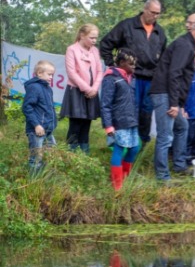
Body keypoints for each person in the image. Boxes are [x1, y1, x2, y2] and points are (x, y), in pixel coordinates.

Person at [150, 20, 195, 182]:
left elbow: (184, 79)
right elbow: (174, 74)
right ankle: (162, 176)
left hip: (171, 96)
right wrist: (173, 103)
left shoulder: (190, 46)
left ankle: (179, 165)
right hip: (164, 93)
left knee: (182, 126)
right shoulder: (184, 45)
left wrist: (181, 105)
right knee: (165, 136)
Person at [100, 0, 167, 146]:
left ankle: (140, 145)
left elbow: (163, 58)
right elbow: (105, 44)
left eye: (158, 14)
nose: (155, 16)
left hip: (150, 79)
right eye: (152, 12)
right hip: (129, 77)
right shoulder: (127, 25)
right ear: (145, 9)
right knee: (127, 111)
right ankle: (118, 143)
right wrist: (112, 66)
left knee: (146, 113)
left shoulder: (160, 32)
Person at [100, 48, 141, 191]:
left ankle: (124, 176)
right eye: (131, 64)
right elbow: (105, 104)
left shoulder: (132, 79)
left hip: (131, 120)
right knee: (119, 149)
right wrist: (108, 126)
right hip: (118, 122)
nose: (134, 67)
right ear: (122, 62)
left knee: (135, 148)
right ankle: (117, 185)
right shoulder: (111, 78)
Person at [60, 24, 103, 154]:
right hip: (77, 91)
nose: (94, 41)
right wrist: (87, 89)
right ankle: (70, 155)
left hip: (92, 92)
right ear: (82, 36)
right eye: (92, 38)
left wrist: (94, 88)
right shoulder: (72, 50)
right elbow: (72, 73)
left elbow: (100, 71)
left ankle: (85, 155)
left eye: (96, 38)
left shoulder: (95, 51)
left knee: (86, 125)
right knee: (75, 125)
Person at [22, 60, 57, 174]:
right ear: (39, 73)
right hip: (36, 130)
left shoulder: (48, 89)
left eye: (52, 75)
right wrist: (36, 125)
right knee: (36, 157)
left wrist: (52, 124)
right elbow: (27, 108)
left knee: (51, 154)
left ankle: (45, 177)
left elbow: (48, 108)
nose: (51, 77)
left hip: (48, 129)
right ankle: (33, 182)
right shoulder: (34, 87)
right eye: (49, 74)